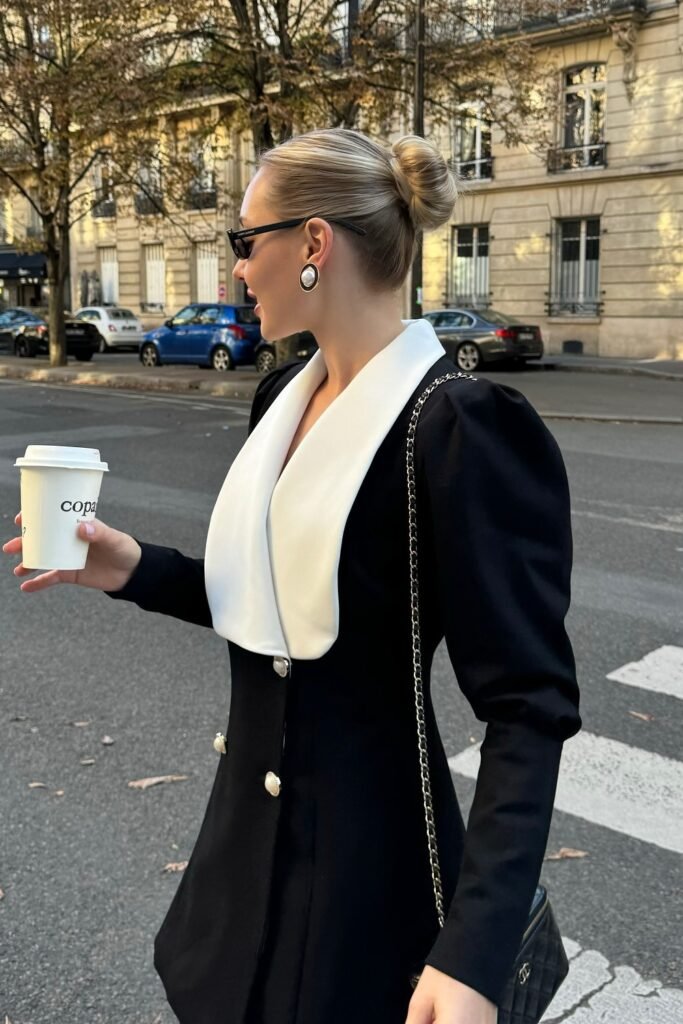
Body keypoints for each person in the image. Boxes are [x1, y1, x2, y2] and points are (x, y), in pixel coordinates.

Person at [4, 127, 582, 1024]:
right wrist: (133, 570)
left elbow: (527, 708)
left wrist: (473, 952)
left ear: (313, 245)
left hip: (371, 883)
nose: (236, 268)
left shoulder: (460, 427)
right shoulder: (282, 394)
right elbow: (277, 604)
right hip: (240, 864)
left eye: (245, 242)